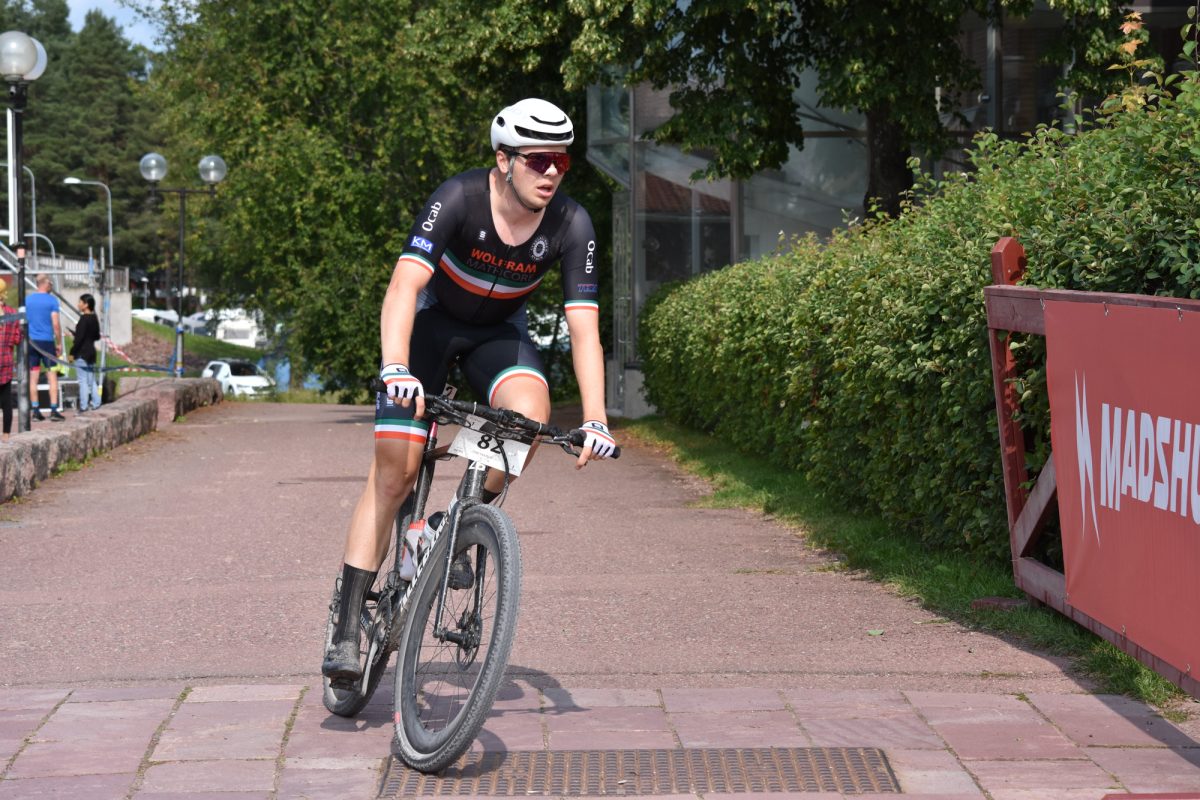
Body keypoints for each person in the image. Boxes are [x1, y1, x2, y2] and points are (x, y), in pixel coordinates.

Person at [322, 98, 618, 681]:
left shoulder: (571, 223)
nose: (551, 173)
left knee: (529, 420)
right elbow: (404, 286)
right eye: (537, 160)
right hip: (430, 329)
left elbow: (585, 329)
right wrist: (395, 367)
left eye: (561, 161)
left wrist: (596, 418)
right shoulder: (458, 198)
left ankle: (446, 527)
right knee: (395, 475)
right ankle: (347, 626)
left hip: (497, 336)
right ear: (503, 159)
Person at [26, 274, 64, 422]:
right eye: (51, 284)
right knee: (52, 376)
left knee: (33, 377)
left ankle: (36, 411)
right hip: (47, 343)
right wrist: (59, 343)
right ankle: (54, 410)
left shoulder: (27, 300)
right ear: (45, 284)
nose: (52, 286)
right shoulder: (52, 300)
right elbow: (56, 324)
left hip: (31, 343)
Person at [69, 293, 101, 413]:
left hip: (81, 353)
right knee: (91, 380)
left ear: (86, 305)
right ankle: (96, 402)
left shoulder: (83, 319)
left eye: (80, 302)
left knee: (82, 381)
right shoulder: (94, 318)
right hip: (91, 352)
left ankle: (83, 406)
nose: (78, 304)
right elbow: (97, 336)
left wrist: (72, 353)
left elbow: (79, 339)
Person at [0, 277, 21, 440]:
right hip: (6, 361)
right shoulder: (13, 314)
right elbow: (17, 339)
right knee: (6, 400)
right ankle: (6, 434)